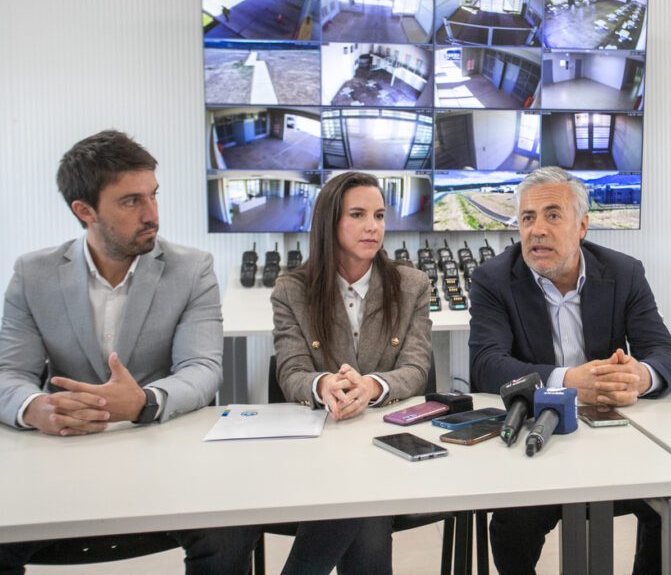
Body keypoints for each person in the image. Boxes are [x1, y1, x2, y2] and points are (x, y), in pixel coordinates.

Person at [0, 130, 258, 573]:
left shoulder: (192, 269)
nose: (152, 214)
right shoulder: (33, 273)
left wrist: (145, 401)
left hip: (163, 447)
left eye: (153, 195)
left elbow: (202, 368)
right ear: (84, 211)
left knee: (233, 532)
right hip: (63, 452)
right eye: (131, 201)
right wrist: (35, 407)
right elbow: (9, 373)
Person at [469, 166, 671, 574]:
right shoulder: (493, 279)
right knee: (513, 526)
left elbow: (666, 354)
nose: (537, 230)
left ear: (582, 226)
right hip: (538, 436)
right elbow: (486, 365)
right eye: (527, 218)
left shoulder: (624, 272)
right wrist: (568, 382)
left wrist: (639, 376)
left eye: (553, 215)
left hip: (614, 435)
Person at [271, 170, 432, 575]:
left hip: (387, 441)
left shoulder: (412, 285)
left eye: (379, 216)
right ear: (330, 222)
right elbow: (291, 371)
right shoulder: (292, 290)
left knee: (358, 504)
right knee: (362, 510)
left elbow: (416, 368)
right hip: (322, 447)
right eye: (358, 215)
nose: (373, 227)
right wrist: (323, 384)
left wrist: (372, 386)